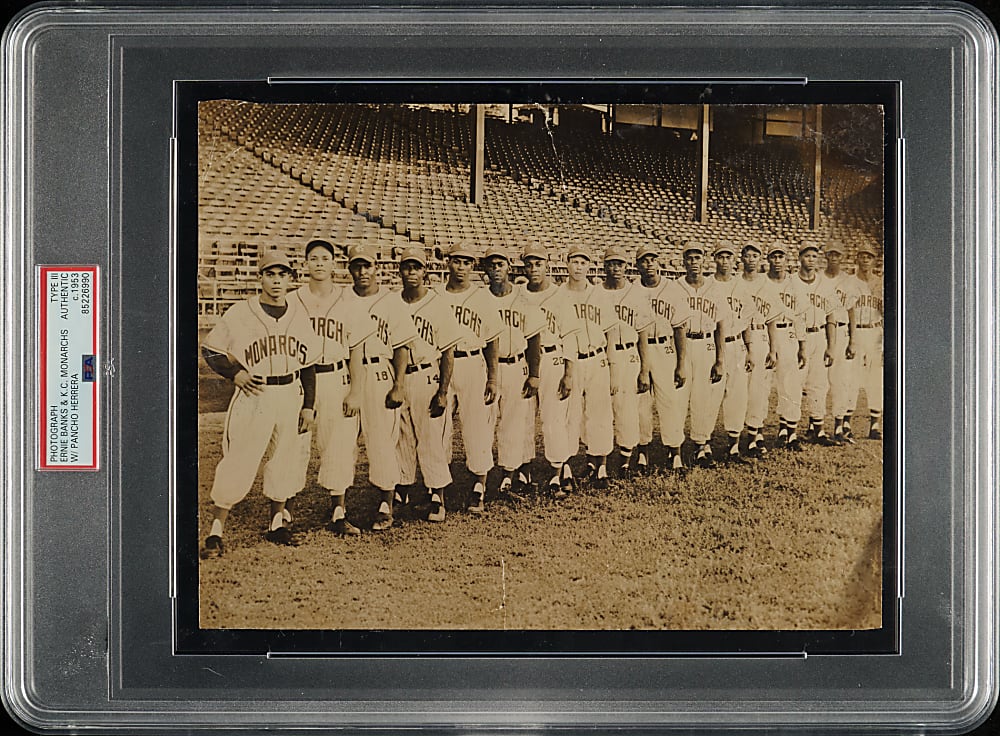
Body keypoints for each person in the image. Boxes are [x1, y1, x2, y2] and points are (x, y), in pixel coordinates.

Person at [200, 249, 321, 558]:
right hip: (256, 393)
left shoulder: (299, 314)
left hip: (290, 392)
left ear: (291, 279)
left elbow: (308, 364)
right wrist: (235, 373)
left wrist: (309, 405)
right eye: (270, 274)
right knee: (239, 459)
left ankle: (277, 523)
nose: (277, 280)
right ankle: (216, 532)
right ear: (260, 278)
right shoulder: (240, 312)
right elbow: (211, 349)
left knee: (285, 458)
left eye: (282, 274)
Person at [288, 239, 371, 536]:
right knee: (292, 443)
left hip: (337, 376)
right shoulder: (292, 300)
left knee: (339, 445)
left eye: (325, 258)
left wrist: (356, 391)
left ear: (334, 264)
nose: (319, 263)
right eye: (314, 258)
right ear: (305, 264)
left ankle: (338, 510)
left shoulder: (349, 302)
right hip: (300, 380)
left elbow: (357, 351)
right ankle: (283, 510)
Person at [341, 243, 418, 531]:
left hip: (379, 370)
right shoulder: (341, 299)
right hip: (346, 373)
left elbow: (401, 347)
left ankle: (386, 503)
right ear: (349, 269)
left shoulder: (391, 301)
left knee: (383, 440)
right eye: (357, 266)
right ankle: (339, 506)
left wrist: (399, 384)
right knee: (342, 439)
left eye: (368, 265)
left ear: (377, 268)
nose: (363, 271)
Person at [395, 246, 463, 522]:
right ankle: (402, 489)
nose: (412, 272)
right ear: (400, 270)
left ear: (425, 271)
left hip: (427, 374)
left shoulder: (437, 304)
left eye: (417, 267)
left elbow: (448, 351)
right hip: (399, 376)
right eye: (407, 267)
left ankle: (438, 496)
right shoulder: (392, 303)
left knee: (432, 437)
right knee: (401, 436)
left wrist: (443, 391)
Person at [436, 241, 503, 513]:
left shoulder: (482, 297)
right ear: (448, 262)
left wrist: (493, 378)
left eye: (466, 262)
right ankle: (437, 490)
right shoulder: (436, 295)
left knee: (477, 427)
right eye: (456, 261)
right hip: (441, 367)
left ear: (473, 266)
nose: (461, 267)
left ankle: (479, 486)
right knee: (438, 428)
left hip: (472, 361)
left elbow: (492, 340)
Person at [518, 242, 581, 497]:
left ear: (547, 265)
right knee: (522, 417)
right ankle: (523, 470)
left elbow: (571, 337)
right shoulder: (518, 294)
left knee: (554, 418)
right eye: (529, 264)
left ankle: (558, 471)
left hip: (553, 357)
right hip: (523, 360)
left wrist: (568, 373)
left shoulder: (560, 295)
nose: (534, 268)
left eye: (539, 263)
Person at [482, 246, 545, 496]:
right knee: (484, 422)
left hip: (516, 363)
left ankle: (509, 475)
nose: (496, 269)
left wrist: (535, 373)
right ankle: (481, 476)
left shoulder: (523, 298)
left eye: (500, 264)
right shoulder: (480, 298)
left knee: (514, 421)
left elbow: (534, 338)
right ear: (485, 269)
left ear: (509, 267)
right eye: (491, 265)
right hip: (487, 368)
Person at [561, 246, 618, 487]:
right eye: (575, 261)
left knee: (600, 412)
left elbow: (611, 332)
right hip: (570, 361)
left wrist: (613, 367)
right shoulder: (558, 295)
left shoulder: (599, 295)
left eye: (583, 262)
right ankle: (564, 466)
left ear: (589, 266)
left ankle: (599, 465)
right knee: (569, 414)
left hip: (597, 358)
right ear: (567, 263)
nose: (579, 267)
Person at [676, 242, 732, 468]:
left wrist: (720, 359)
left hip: (706, 343)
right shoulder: (676, 287)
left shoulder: (714, 288)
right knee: (679, 397)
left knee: (704, 396)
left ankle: (702, 444)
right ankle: (675, 447)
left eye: (697, 257)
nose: (693, 262)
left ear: (704, 260)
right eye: (689, 258)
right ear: (683, 262)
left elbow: (721, 325)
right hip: (684, 344)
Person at [635, 244, 690, 472]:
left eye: (652, 259)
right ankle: (642, 450)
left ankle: (674, 452)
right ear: (637, 265)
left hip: (665, 346)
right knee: (641, 404)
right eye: (644, 260)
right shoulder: (632, 290)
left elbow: (680, 329)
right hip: (639, 348)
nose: (649, 264)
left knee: (670, 402)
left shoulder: (672, 289)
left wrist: (681, 363)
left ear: (659, 262)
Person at [601, 245, 654, 477]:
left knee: (635, 407)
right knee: (605, 406)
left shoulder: (636, 294)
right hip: (604, 355)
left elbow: (643, 335)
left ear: (626, 266)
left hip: (630, 353)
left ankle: (630, 455)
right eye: (611, 263)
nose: (616, 268)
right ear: (604, 266)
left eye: (620, 264)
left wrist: (645, 369)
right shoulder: (597, 292)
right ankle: (601, 458)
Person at [710, 241, 755, 461]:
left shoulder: (741, 286)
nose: (725, 261)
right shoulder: (708, 285)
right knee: (710, 395)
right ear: (714, 259)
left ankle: (733, 445)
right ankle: (703, 445)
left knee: (737, 396)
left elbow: (747, 322)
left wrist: (750, 349)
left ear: (734, 260)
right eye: (721, 256)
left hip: (736, 343)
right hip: (712, 346)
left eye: (728, 257)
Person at [739, 241, 783, 456]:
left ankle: (755, 433)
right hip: (738, 338)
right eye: (748, 255)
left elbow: (772, 321)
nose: (751, 259)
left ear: (760, 259)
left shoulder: (767, 285)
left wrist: (773, 349)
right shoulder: (735, 282)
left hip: (760, 334)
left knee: (760, 389)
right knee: (739, 389)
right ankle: (735, 435)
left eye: (755, 255)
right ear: (742, 258)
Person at [793, 240, 838, 445]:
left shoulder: (825, 284)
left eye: (813, 256)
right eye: (806, 255)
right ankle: (788, 431)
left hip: (819, 335)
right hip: (796, 337)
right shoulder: (791, 282)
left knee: (819, 384)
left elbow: (831, 317)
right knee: (794, 383)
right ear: (799, 258)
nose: (810, 259)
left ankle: (817, 429)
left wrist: (831, 346)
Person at [765, 241, 808, 450]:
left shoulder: (795, 284)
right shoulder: (762, 282)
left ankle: (790, 431)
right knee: (762, 385)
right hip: (764, 335)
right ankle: (756, 434)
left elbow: (800, 317)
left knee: (791, 384)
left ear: (786, 259)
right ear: (768, 259)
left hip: (789, 332)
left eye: (780, 256)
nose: (777, 260)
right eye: (773, 256)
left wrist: (803, 346)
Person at [821, 242, 862, 444]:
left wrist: (853, 341)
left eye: (837, 254)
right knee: (818, 381)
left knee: (841, 381)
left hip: (842, 330)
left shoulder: (848, 281)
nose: (834, 258)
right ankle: (815, 425)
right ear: (826, 256)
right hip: (821, 332)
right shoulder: (818, 278)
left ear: (842, 257)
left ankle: (839, 424)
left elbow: (852, 312)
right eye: (831, 254)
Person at [849, 240, 885, 440]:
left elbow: (887, 312)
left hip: (874, 332)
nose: (865, 260)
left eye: (869, 257)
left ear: (874, 260)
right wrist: (851, 338)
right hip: (856, 332)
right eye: (862, 256)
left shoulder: (880, 283)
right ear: (857, 259)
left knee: (875, 379)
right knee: (851, 377)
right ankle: (845, 422)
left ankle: (875, 425)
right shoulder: (849, 282)